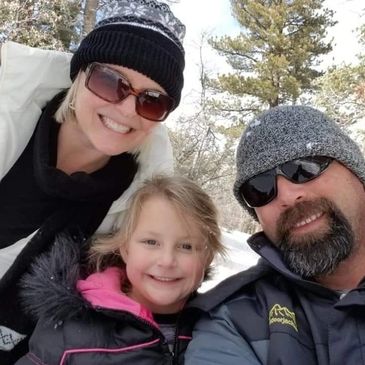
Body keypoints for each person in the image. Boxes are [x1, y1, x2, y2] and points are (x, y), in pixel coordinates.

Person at [0, 0, 185, 362]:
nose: (127, 109)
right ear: (80, 74)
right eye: (110, 81)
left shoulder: (137, 203)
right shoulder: (9, 118)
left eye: (152, 101)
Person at [184, 105, 365, 365]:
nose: (288, 197)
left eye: (304, 167)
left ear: (354, 170)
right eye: (260, 188)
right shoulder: (235, 321)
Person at [14, 175, 225, 365]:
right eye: (151, 242)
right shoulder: (70, 333)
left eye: (186, 246)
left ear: (207, 257)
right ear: (125, 249)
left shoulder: (222, 328)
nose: (167, 260)